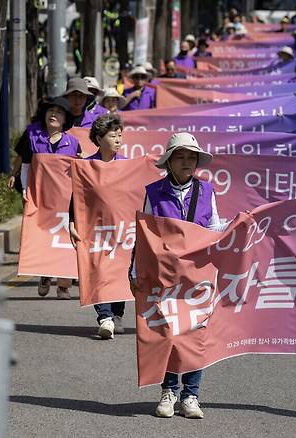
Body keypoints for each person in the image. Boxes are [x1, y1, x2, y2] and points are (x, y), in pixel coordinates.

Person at [129, 132, 228, 419]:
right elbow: (144, 233)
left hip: (198, 274)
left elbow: (212, 227)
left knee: (196, 334)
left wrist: (235, 226)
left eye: (191, 157)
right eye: (180, 157)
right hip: (165, 274)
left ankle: (191, 396)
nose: (186, 162)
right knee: (169, 332)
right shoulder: (153, 192)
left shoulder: (207, 191)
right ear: (168, 162)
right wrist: (135, 270)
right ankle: (168, 391)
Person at [8, 97, 81, 300]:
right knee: (44, 236)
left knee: (66, 240)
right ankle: (45, 274)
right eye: (50, 111)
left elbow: (79, 172)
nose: (53, 114)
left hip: (66, 202)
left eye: (59, 112)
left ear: (65, 118)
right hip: (42, 199)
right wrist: (25, 189)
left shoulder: (73, 143)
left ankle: (64, 286)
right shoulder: (33, 138)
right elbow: (26, 167)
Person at [68, 114, 127, 339]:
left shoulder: (128, 165)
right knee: (96, 270)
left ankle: (117, 313)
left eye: (120, 135)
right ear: (99, 139)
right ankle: (104, 316)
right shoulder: (86, 167)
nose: (118, 140)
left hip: (122, 230)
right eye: (113, 135)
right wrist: (72, 222)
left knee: (119, 270)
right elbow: (77, 197)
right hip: (94, 230)